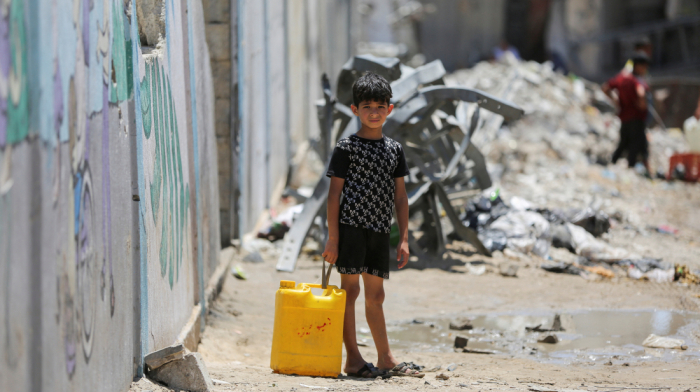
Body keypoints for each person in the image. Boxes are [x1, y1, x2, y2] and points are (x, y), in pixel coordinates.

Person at [322, 72, 423, 379]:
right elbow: (334, 195)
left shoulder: (394, 150)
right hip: (351, 230)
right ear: (355, 109)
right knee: (349, 293)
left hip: (379, 231)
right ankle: (353, 359)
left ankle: (385, 358)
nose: (374, 112)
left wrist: (404, 238)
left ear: (389, 109)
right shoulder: (346, 148)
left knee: (376, 296)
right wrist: (333, 240)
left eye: (381, 106)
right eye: (367, 106)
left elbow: (401, 197)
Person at [602, 52, 651, 173]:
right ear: (638, 66)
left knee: (623, 143)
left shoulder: (621, 78)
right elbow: (641, 93)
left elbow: (605, 87)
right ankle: (632, 168)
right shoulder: (636, 80)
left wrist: (615, 101)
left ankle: (612, 163)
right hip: (636, 118)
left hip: (624, 117)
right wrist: (642, 105)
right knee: (637, 145)